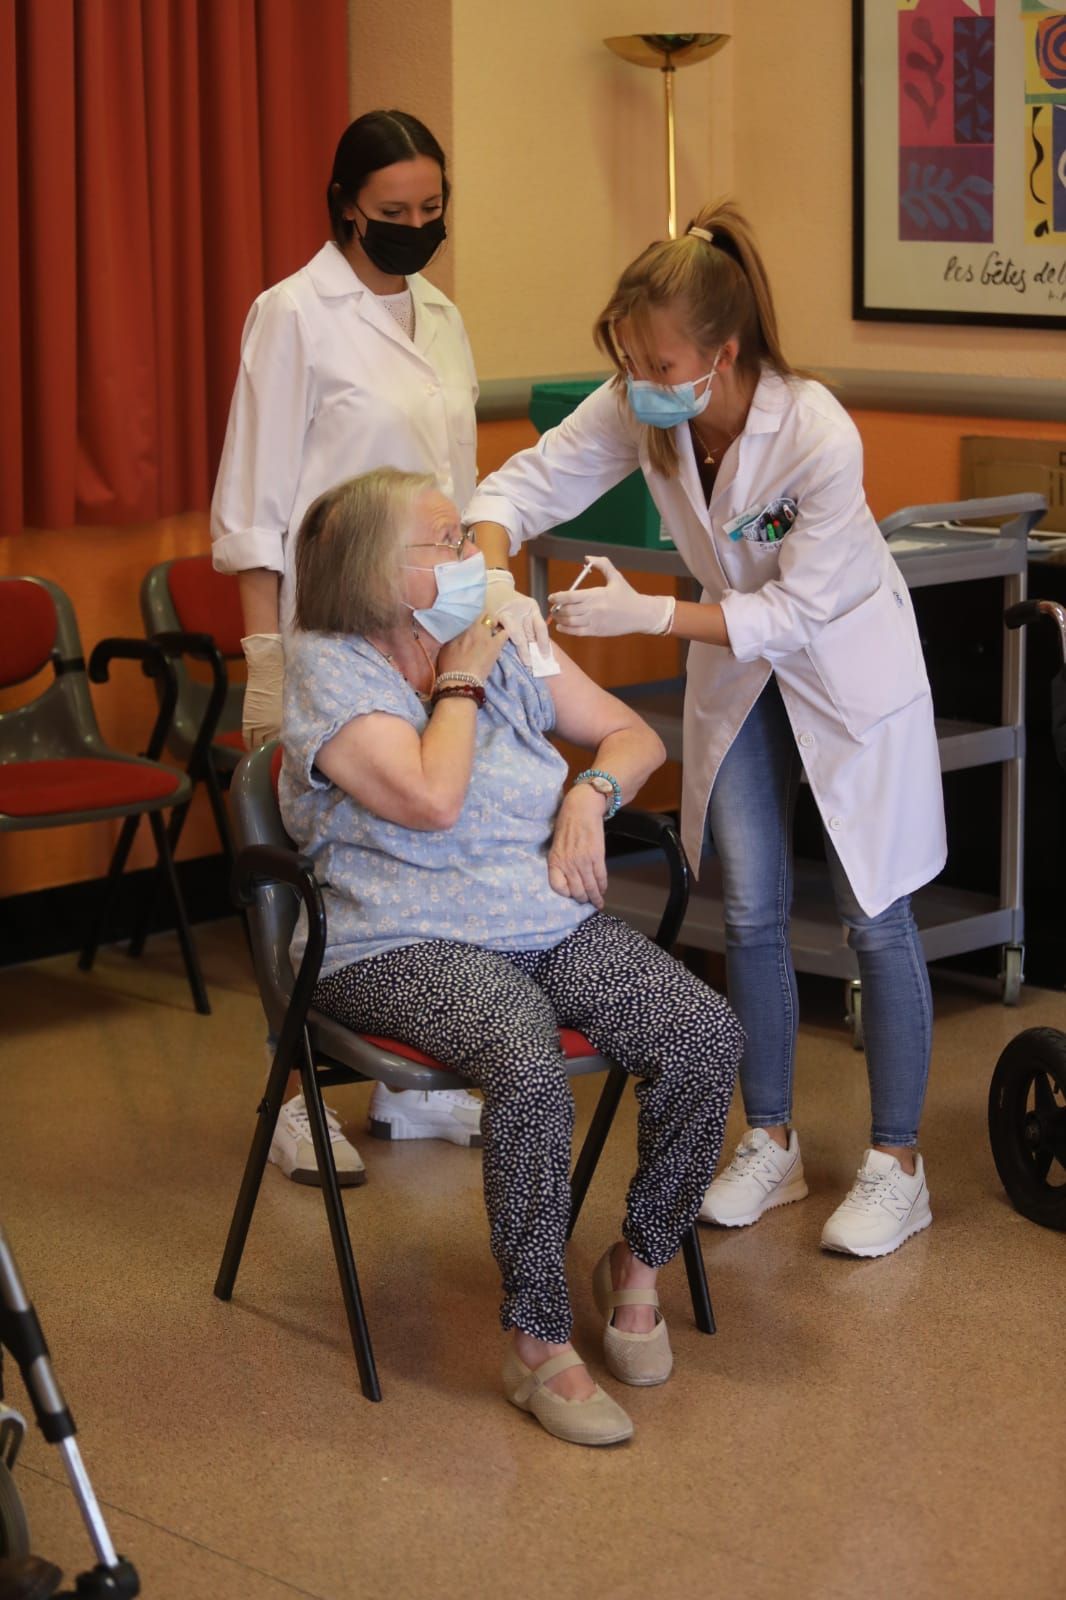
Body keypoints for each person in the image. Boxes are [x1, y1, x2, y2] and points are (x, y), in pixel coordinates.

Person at [464, 201, 947, 1260]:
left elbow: (793, 609)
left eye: (657, 358)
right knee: (754, 910)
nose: (638, 375)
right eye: (628, 356)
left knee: (875, 911)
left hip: (841, 668)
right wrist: (495, 573)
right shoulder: (646, 407)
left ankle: (897, 1164)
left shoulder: (814, 429)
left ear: (721, 355)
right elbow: (521, 482)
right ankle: (769, 1141)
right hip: (739, 672)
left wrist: (649, 614)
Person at [279, 467, 743, 1445]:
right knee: (526, 1061)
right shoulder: (332, 666)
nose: (471, 560)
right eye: (445, 544)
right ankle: (535, 1341)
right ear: (376, 568)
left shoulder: (499, 631)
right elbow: (430, 796)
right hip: (396, 942)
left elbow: (629, 733)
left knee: (702, 1031)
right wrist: (459, 673)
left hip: (545, 922)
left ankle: (636, 1264)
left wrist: (590, 796)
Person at [211, 111, 543, 1181]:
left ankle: (421, 1083)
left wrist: (485, 587)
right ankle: (297, 1090)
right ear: (346, 203)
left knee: (420, 851)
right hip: (330, 629)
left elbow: (459, 472)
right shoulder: (292, 314)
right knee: (318, 861)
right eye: (391, 212)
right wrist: (264, 659)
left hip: (425, 623)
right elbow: (255, 502)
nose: (413, 227)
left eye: (431, 211)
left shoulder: (440, 313)